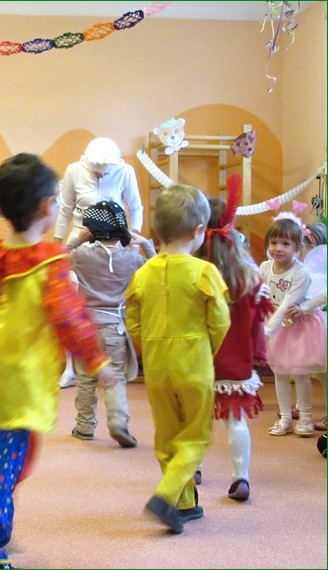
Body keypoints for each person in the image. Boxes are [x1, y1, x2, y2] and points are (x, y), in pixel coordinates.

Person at [0, 153, 116, 569]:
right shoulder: (50, 262)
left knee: (4, 450)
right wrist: (97, 362)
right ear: (45, 207)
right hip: (20, 378)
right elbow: (69, 317)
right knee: (1, 458)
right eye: (56, 199)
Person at [126, 184, 231, 534]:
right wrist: (206, 350)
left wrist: (149, 348)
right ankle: (168, 495)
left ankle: (184, 504)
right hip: (194, 364)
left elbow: (132, 321)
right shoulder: (204, 272)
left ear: (157, 231)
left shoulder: (142, 273)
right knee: (196, 435)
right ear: (199, 230)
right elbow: (220, 321)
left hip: (157, 367)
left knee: (168, 435)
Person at [195, 188, 274, 502]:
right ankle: (241, 477)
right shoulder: (249, 276)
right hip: (235, 361)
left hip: (198, 359)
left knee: (196, 419)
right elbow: (258, 320)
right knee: (235, 420)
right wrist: (255, 354)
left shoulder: (194, 272)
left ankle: (194, 467)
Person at [54, 137, 144, 389]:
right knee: (70, 301)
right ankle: (71, 367)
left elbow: (135, 207)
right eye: (96, 169)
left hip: (114, 241)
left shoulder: (125, 171)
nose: (101, 173)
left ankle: (113, 362)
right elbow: (65, 209)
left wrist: (133, 238)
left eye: (105, 170)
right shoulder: (74, 171)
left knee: (114, 298)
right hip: (80, 239)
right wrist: (57, 244)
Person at [70, 200, 156, 447]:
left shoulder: (81, 256)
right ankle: (118, 421)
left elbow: (57, 260)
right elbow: (156, 268)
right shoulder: (132, 259)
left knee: (85, 379)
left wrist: (77, 240)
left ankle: (85, 427)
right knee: (115, 377)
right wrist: (146, 245)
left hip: (85, 329)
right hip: (115, 328)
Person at [259, 214, 327, 437]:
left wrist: (267, 331)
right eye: (273, 242)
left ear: (297, 248)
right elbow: (259, 294)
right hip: (277, 325)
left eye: (285, 244)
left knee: (300, 373)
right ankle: (285, 418)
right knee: (279, 372)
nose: (278, 248)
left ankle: (305, 417)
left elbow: (288, 302)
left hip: (299, 327)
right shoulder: (265, 267)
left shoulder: (301, 272)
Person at [286, 220, 327, 430]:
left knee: (323, 371)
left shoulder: (320, 270)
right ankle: (301, 407)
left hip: (319, 323)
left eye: (301, 245)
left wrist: (305, 307)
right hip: (304, 323)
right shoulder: (300, 268)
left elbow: (321, 296)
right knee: (301, 365)